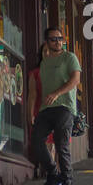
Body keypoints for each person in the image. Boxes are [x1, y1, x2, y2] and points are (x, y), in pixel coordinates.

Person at [30, 27, 81, 185]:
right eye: (53, 39)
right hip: (46, 108)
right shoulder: (44, 63)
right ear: (47, 42)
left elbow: (75, 80)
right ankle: (53, 174)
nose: (58, 42)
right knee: (36, 141)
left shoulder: (69, 57)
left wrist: (57, 93)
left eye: (60, 39)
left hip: (65, 107)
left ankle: (68, 181)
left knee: (61, 143)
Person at [26, 42, 56, 177]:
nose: (47, 54)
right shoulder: (35, 73)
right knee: (43, 143)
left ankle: (52, 173)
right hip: (41, 112)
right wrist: (30, 113)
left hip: (57, 112)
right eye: (44, 51)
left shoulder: (59, 71)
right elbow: (32, 95)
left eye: (50, 51)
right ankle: (51, 170)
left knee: (54, 144)